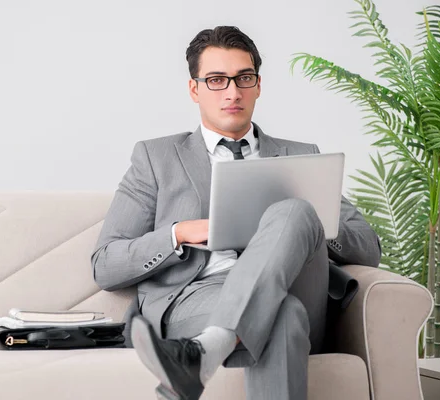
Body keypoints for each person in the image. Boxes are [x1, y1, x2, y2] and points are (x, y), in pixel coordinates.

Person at [91, 26, 381, 400]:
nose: (232, 92)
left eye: (244, 78)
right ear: (194, 89)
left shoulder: (301, 156)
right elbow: (105, 263)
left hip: (297, 283)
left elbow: (368, 248)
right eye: (216, 80)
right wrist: (179, 233)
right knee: (283, 314)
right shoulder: (156, 158)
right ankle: (212, 342)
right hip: (198, 297)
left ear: (258, 85)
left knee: (296, 210)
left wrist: (312, 220)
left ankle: (204, 352)